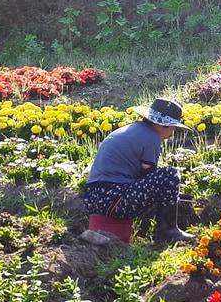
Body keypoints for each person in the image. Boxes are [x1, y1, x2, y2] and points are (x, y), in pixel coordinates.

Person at [82, 98, 195, 244]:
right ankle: (168, 231)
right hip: (113, 200)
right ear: (162, 125)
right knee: (170, 175)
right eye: (172, 128)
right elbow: (148, 175)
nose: (172, 133)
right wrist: (169, 196)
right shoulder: (151, 137)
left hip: (96, 199)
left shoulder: (131, 130)